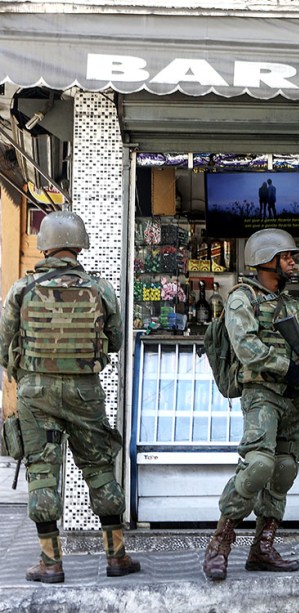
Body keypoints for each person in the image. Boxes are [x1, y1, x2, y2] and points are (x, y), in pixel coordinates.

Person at [0, 211, 141, 583]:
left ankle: (50, 562)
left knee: (42, 474)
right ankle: (116, 556)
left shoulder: (22, 289)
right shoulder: (100, 288)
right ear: (79, 245)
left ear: (44, 245)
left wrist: (24, 373)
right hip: (85, 391)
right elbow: (115, 339)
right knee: (98, 469)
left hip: (36, 390)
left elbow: (3, 344)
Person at [202, 228, 299, 581]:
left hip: (293, 400)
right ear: (265, 260)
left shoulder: (293, 304)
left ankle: (262, 548)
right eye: (286, 257)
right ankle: (220, 543)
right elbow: (247, 350)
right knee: (258, 465)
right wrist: (290, 371)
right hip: (263, 394)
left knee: (284, 468)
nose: (293, 262)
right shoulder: (242, 299)